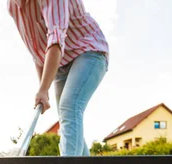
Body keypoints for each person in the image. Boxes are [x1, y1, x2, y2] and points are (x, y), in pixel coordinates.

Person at [8, 0, 109, 156]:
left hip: (89, 50)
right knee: (67, 119)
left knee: (69, 107)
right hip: (60, 63)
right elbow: (36, 49)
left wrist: (43, 89)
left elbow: (55, 41)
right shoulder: (13, 5)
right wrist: (43, 89)